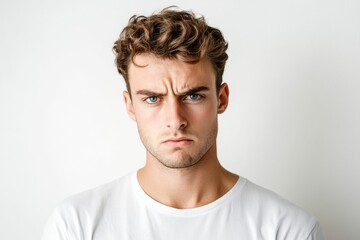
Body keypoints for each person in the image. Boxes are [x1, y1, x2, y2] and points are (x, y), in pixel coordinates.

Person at [42, 7, 325, 240]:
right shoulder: (76, 226)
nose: (175, 120)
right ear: (130, 106)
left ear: (221, 99)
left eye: (192, 95)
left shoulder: (287, 229)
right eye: (152, 99)